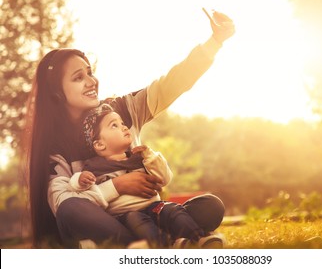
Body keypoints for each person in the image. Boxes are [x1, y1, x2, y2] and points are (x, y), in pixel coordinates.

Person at [25, 9, 235, 248]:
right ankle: (141, 249)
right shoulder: (55, 147)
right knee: (69, 210)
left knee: (209, 206)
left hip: (149, 215)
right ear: (57, 93)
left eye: (90, 73)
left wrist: (215, 42)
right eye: (78, 77)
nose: (91, 81)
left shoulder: (123, 109)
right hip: (107, 225)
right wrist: (116, 186)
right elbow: (64, 203)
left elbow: (173, 83)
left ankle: (162, 240)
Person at [69, 103, 223, 248]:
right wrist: (79, 180)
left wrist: (150, 156)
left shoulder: (139, 158)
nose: (123, 127)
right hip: (125, 216)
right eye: (114, 125)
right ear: (100, 144)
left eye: (122, 123)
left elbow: (164, 178)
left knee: (173, 210)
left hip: (154, 206)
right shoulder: (95, 167)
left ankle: (197, 238)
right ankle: (165, 246)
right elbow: (80, 193)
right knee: (138, 220)